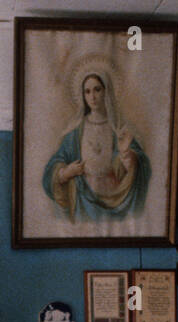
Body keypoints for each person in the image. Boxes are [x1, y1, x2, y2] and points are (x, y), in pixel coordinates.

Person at [42, 71, 150, 222]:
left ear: (107, 91)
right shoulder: (74, 133)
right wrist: (66, 172)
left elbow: (142, 167)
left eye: (97, 89)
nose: (92, 96)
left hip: (116, 200)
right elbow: (52, 167)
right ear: (83, 96)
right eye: (87, 91)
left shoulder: (119, 130)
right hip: (83, 201)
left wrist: (126, 154)